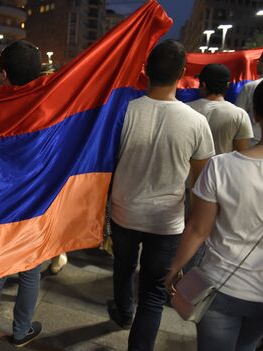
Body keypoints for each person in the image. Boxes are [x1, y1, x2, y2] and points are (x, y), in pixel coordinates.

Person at [107, 40, 215, 351]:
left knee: (123, 267)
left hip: (123, 211)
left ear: (145, 70)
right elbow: (200, 183)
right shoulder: (196, 122)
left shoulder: (124, 112)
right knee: (154, 293)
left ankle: (124, 312)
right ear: (183, 74)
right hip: (167, 222)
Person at [165, 81, 263, 351]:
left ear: (255, 114)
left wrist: (173, 269)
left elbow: (198, 229)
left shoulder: (222, 166)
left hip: (220, 285)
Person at [0, 40, 43, 351]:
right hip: (32, 204)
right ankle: (21, 329)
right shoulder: (49, 107)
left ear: (3, 74)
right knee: (30, 269)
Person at [188, 64, 253, 154]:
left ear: (203, 84)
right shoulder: (240, 114)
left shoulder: (186, 109)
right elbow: (241, 153)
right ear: (227, 86)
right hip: (223, 168)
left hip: (191, 168)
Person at [236, 51, 263, 147]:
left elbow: (238, 117)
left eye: (259, 60)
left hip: (253, 143)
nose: (257, 63)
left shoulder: (251, 87)